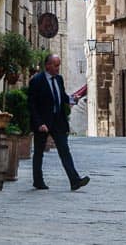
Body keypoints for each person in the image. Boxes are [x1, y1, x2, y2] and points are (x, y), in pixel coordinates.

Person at [27, 53, 90, 191]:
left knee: (64, 150)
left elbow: (62, 97)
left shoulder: (59, 79)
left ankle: (74, 180)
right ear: (48, 65)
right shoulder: (36, 81)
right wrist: (39, 123)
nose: (58, 68)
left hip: (58, 121)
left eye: (59, 65)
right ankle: (38, 181)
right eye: (55, 65)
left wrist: (73, 100)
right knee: (38, 152)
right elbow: (32, 105)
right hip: (43, 123)